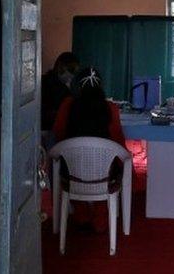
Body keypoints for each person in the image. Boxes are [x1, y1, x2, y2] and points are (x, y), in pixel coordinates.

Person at [52, 67, 126, 232]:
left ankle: (81, 214)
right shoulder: (110, 108)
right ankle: (100, 218)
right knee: (113, 166)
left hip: (72, 173)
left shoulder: (67, 105)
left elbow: (58, 133)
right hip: (105, 175)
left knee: (64, 165)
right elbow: (117, 140)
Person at [41, 52, 79, 131]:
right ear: (60, 66)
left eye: (74, 72)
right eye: (71, 70)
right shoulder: (63, 90)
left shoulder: (43, 80)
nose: (72, 75)